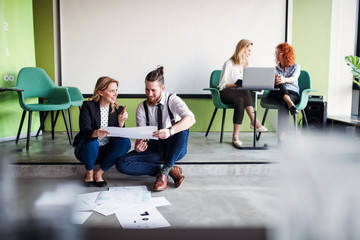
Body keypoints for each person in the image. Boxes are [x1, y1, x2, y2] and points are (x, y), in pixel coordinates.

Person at [116, 66, 196, 192]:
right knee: (122, 163)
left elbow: (191, 119)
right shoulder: (142, 107)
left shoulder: (173, 100)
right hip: (155, 147)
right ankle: (169, 170)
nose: (149, 94)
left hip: (174, 147)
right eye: (147, 90)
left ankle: (164, 172)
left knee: (183, 127)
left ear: (162, 88)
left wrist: (170, 131)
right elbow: (142, 135)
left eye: (153, 90)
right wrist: (139, 145)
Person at [73, 76, 131, 187]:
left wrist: (121, 123)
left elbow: (120, 138)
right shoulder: (87, 106)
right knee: (92, 141)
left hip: (105, 152)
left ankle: (99, 174)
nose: (115, 94)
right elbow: (85, 131)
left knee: (125, 142)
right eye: (111, 91)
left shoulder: (119, 109)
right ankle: (89, 173)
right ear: (100, 92)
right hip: (86, 150)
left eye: (116, 90)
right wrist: (96, 133)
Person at [218, 39, 267, 149]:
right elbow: (222, 84)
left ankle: (235, 137)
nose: (250, 53)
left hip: (240, 95)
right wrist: (236, 85)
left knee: (240, 99)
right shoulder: (229, 63)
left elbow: (251, 81)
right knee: (243, 90)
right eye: (248, 50)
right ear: (242, 49)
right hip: (227, 93)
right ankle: (254, 121)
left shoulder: (248, 64)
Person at [264, 42, 301, 140]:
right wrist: (278, 80)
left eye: (278, 53)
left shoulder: (296, 67)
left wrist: (284, 79)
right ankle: (290, 104)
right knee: (279, 82)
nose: (276, 55)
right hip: (276, 93)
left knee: (282, 102)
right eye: (276, 53)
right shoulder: (275, 69)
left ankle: (281, 137)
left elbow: (294, 78)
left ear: (286, 54)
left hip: (293, 93)